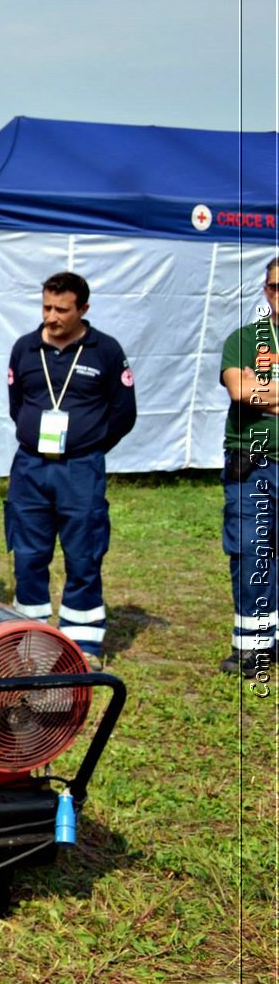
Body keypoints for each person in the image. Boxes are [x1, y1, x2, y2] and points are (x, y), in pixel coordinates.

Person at [4, 271, 136, 669]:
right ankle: (30, 640)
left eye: (62, 309)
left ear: (83, 309)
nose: (51, 316)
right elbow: (16, 405)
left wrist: (88, 445)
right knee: (27, 553)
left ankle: (83, 643)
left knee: (84, 553)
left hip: (80, 469)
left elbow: (124, 413)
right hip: (30, 466)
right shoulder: (25, 349)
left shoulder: (105, 351)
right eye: (46, 307)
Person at [219, 257, 279, 678]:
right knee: (250, 551)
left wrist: (268, 392)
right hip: (252, 465)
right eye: (275, 286)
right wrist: (257, 393)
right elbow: (241, 391)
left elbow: (256, 391)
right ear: (266, 290)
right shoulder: (245, 340)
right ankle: (251, 646)